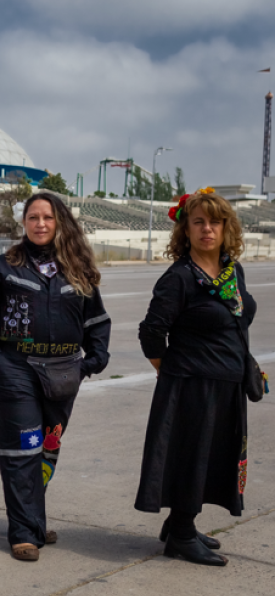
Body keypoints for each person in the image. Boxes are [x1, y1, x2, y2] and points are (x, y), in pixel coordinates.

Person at [0, 192, 110, 561]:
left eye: (48, 217)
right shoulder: (4, 266)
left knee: (47, 446)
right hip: (17, 369)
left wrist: (90, 363)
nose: (41, 224)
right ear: (24, 223)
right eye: (33, 217)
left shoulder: (78, 268)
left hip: (65, 372)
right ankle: (23, 532)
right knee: (22, 448)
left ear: (60, 221)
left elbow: (96, 320)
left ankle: (33, 517)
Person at [135, 188, 257, 567]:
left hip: (226, 384)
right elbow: (151, 332)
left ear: (226, 228)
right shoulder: (179, 278)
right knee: (192, 457)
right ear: (185, 230)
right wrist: (173, 374)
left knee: (212, 457)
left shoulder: (231, 270)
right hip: (191, 385)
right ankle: (182, 537)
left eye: (215, 222)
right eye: (198, 222)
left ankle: (178, 524)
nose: (207, 229)